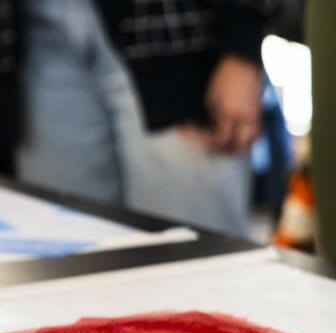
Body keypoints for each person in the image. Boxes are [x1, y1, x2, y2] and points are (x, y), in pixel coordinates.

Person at [0, 0, 277, 238]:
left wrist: (242, 44)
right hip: (36, 40)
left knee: (196, 255)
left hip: (171, 36)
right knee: (69, 258)